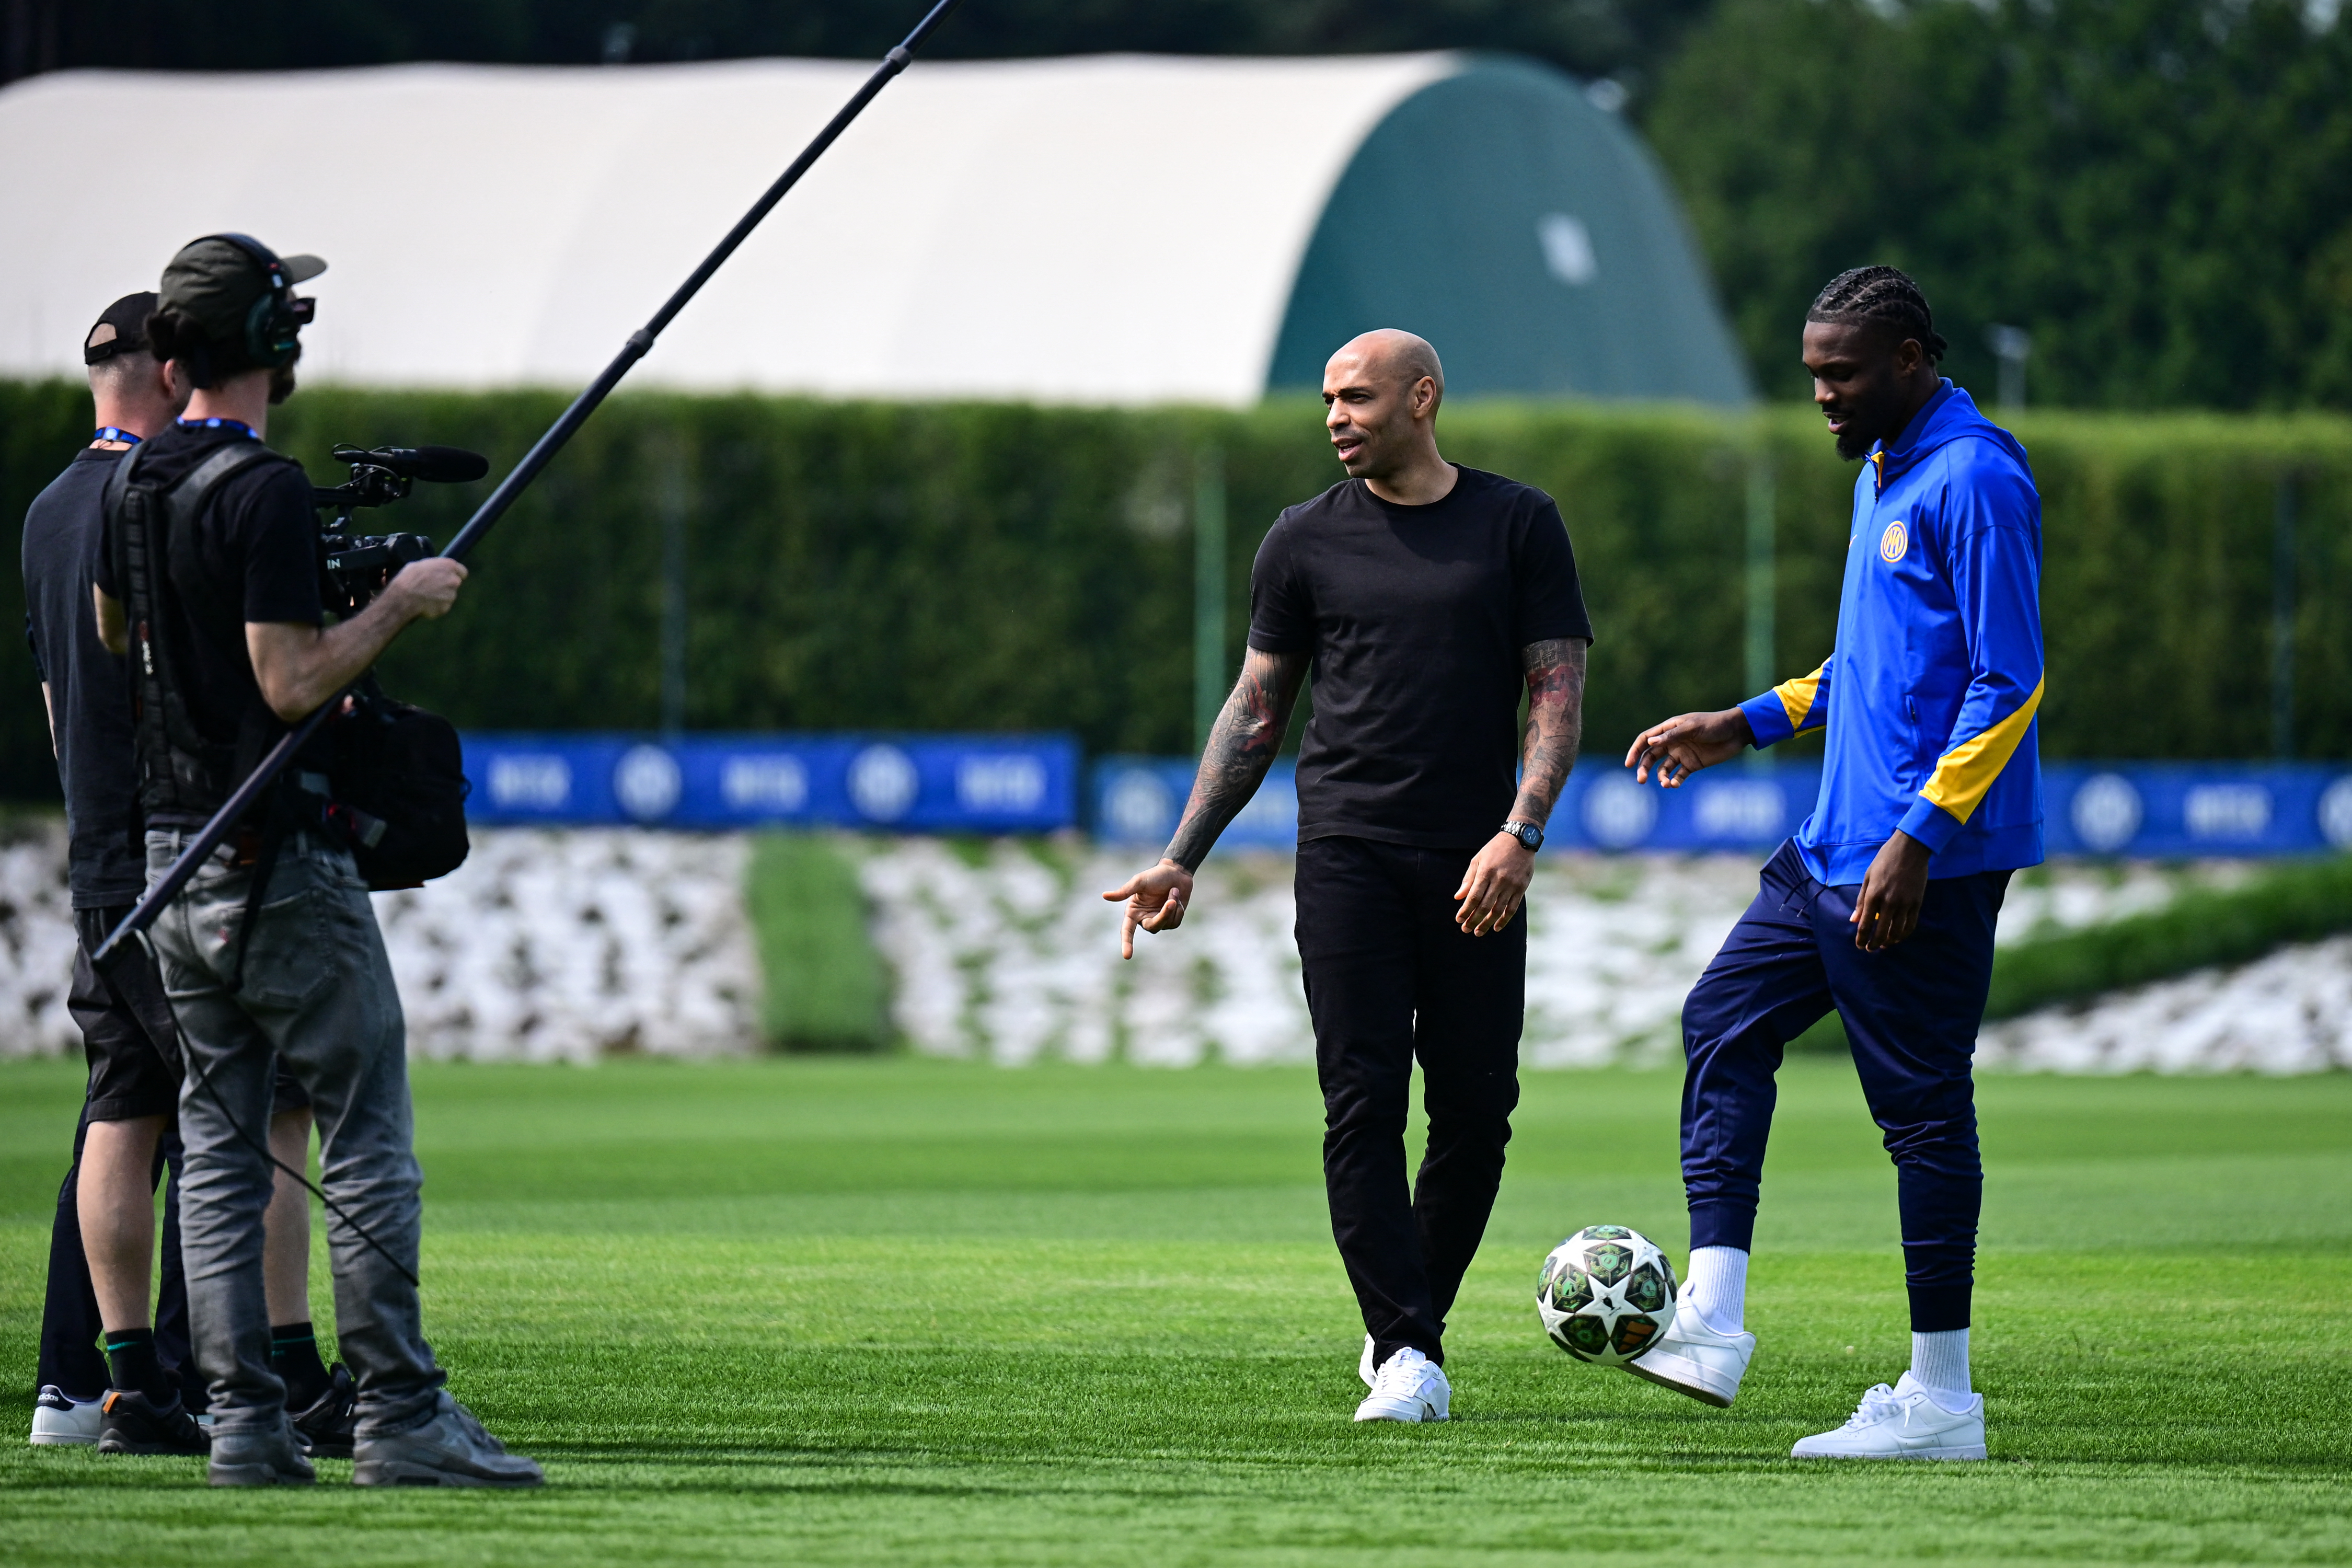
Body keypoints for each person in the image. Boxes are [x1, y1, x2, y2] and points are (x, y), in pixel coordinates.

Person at [92, 234, 539, 1488]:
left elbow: (111, 626)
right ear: (281, 349)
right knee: (367, 1138)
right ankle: (400, 1417)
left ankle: (244, 1428)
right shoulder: (265, 490)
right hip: (279, 869)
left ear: (174, 353)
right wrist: (398, 601)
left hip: (169, 870)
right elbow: (291, 683)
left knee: (224, 1152)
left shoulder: (136, 483)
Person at [1106, 329, 1591, 1423]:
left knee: (1477, 1110)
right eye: (1328, 398)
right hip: (1347, 860)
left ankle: (1409, 1325)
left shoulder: (1519, 524)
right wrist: (1183, 855)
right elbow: (1258, 709)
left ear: (1423, 397)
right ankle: (1408, 1348)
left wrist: (1522, 830)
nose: (1335, 415)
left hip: (1478, 862)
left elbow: (1555, 690)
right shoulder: (1299, 542)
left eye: (1358, 397)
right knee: (1363, 1100)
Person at [1623, 266, 2043, 1460]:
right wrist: (1745, 721)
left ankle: (1942, 1399)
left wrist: (1919, 840)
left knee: (1919, 1119)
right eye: (1812, 372)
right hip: (1826, 849)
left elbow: (2007, 680)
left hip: (1914, 866)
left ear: (1911, 359)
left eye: (1840, 372)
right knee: (1722, 1022)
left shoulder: (1979, 478)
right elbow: (1871, 659)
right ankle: (1712, 1319)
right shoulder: (1883, 471)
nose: (1821, 394)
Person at [22, 294, 344, 1459]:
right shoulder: (160, 500)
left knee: (122, 1108)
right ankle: (247, 1374)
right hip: (185, 841)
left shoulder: (50, 510)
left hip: (100, 850)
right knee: (255, 1108)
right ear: (171, 375)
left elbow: (62, 706)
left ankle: (91, 1383)